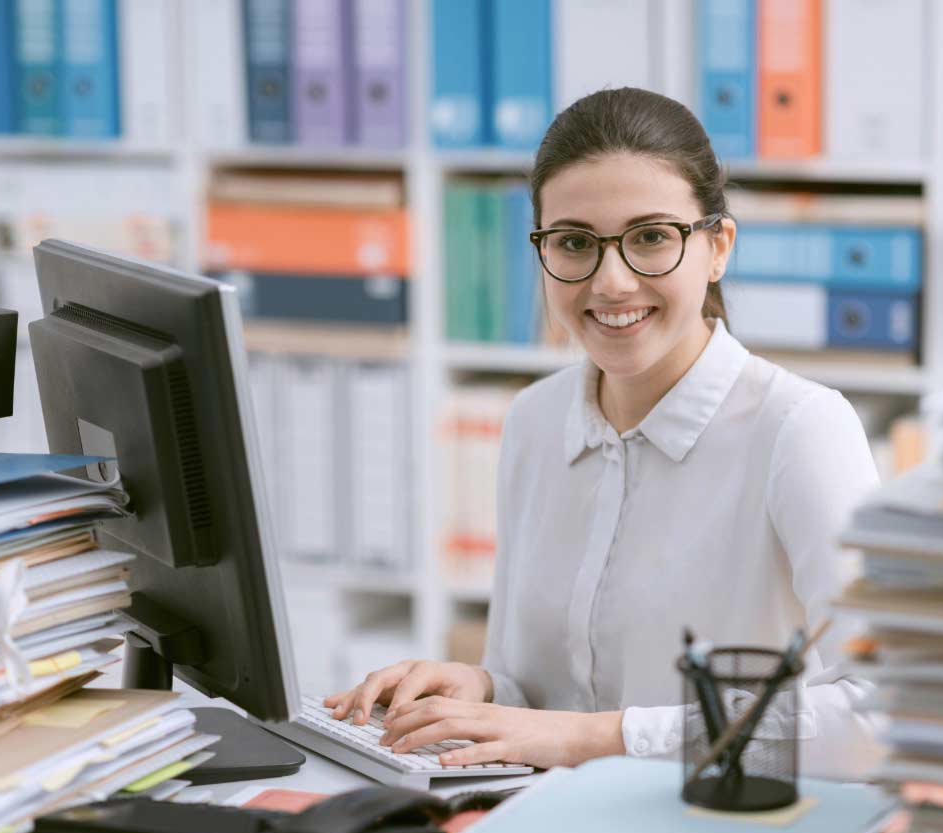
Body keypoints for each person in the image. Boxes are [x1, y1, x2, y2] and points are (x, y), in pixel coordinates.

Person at [325, 87, 882, 779]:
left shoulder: (800, 428)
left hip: (711, 817)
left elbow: (883, 712)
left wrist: (599, 738)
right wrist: (484, 691)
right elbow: (542, 699)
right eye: (574, 243)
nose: (611, 281)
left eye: (651, 237)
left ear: (717, 248)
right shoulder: (534, 419)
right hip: (541, 812)